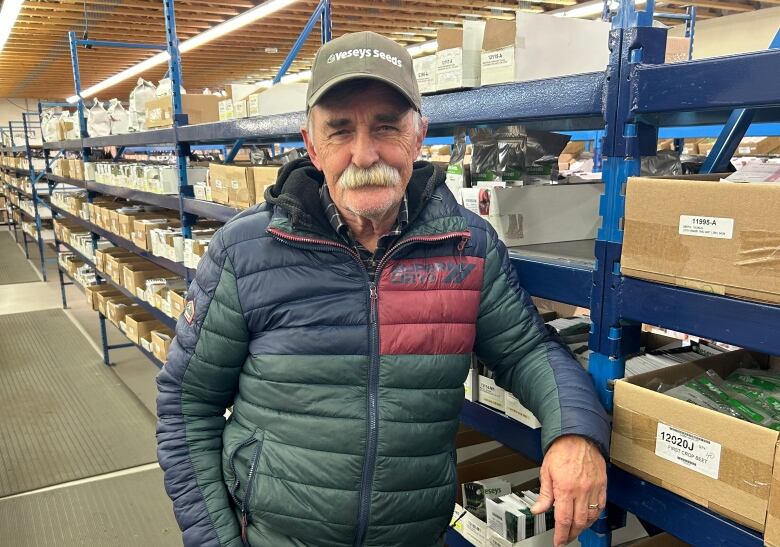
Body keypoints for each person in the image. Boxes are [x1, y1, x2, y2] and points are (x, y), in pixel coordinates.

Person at [157, 31, 609, 547]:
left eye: (386, 127)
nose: (364, 153)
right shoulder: (245, 250)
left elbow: (528, 351)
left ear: (419, 137)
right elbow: (186, 403)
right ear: (310, 143)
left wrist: (574, 432)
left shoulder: (467, 246)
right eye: (340, 130)